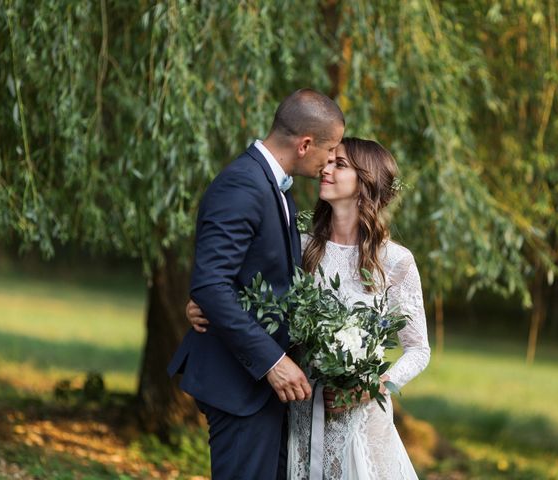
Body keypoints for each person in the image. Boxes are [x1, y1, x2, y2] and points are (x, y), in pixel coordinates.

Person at [188, 137, 431, 479]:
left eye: (340, 164)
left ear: (366, 183)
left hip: (361, 421)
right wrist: (203, 307)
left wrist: (374, 386)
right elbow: (253, 297)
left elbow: (419, 350)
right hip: (300, 412)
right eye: (329, 160)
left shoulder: (394, 261)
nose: (326, 168)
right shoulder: (301, 247)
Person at [168, 88, 345, 480]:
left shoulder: (274, 187)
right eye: (330, 149)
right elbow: (212, 285)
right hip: (240, 384)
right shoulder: (242, 186)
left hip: (262, 391)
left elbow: (256, 280)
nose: (331, 159)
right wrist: (272, 362)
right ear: (305, 144)